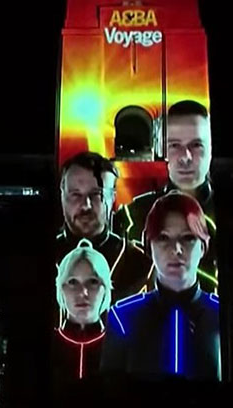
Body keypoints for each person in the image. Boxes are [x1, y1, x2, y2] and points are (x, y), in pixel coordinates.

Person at [102, 192, 221, 380]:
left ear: (203, 247)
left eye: (188, 238)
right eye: (164, 238)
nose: (176, 249)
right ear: (149, 246)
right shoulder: (123, 316)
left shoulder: (222, 314)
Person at [115, 101, 218, 291]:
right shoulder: (131, 217)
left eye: (196, 145)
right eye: (174, 145)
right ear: (160, 148)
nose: (185, 156)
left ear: (211, 147)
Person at [56, 151, 153, 302]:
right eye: (76, 194)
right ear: (62, 196)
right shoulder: (37, 261)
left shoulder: (140, 265)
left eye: (96, 194)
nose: (86, 205)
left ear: (113, 197)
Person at [53, 240, 112, 381]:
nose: (83, 293)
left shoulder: (121, 348)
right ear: (61, 288)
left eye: (92, 282)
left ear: (105, 289)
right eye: (73, 282)